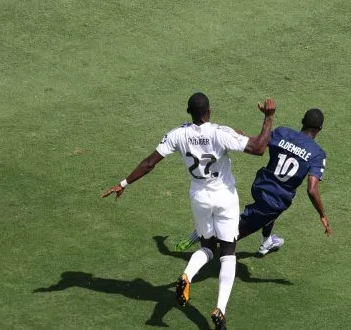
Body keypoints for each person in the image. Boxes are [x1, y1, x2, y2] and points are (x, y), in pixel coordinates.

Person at [102, 92, 275, 330]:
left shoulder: (178, 134)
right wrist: (268, 118)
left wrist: (123, 183)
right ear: (209, 111)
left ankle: (187, 275)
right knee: (228, 252)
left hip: (199, 198)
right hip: (224, 197)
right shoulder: (219, 132)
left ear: (189, 112)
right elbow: (258, 148)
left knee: (206, 247)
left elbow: (149, 162)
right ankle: (220, 310)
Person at [175, 108, 331, 256]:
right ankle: (203, 233)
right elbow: (312, 189)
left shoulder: (283, 132)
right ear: (320, 129)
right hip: (275, 201)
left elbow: (258, 142)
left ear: (302, 121)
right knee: (229, 237)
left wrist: (239, 135)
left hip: (261, 185)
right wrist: (322, 214)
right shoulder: (317, 154)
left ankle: (266, 241)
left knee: (271, 213)